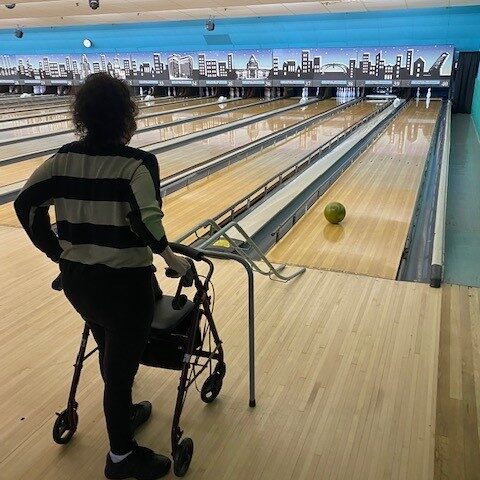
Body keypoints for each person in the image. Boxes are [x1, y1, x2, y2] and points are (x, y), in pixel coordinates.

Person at [14, 73, 190, 480]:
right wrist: (169, 256)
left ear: (83, 116)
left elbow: (26, 205)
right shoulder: (138, 164)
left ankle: (124, 412)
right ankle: (121, 458)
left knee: (110, 349)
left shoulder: (61, 160)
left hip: (79, 284)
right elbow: (147, 220)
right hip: (127, 288)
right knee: (120, 370)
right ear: (127, 117)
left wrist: (55, 251)